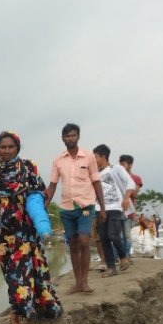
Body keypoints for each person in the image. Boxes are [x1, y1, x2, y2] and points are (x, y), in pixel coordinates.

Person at [0, 131, 63, 324]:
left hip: (27, 230)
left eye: (10, 147)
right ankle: (15, 315)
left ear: (17, 148)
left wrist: (38, 209)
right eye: (2, 147)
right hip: (5, 232)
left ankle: (37, 309)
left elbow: (40, 191)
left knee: (33, 268)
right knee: (13, 274)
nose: (6, 151)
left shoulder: (28, 167)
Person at [43, 123, 105, 294]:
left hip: (85, 206)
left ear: (78, 136)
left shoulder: (89, 156)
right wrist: (44, 207)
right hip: (67, 209)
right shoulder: (58, 160)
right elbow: (53, 185)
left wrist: (103, 208)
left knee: (85, 241)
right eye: (67, 136)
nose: (70, 138)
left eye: (73, 135)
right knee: (73, 245)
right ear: (63, 138)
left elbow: (96, 182)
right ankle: (78, 282)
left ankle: (85, 281)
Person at [92, 144, 135, 277]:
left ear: (103, 156)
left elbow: (130, 183)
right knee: (104, 238)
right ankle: (111, 268)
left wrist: (126, 198)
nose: (94, 160)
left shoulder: (115, 168)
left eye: (96, 157)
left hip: (115, 207)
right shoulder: (95, 174)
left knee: (113, 235)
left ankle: (123, 257)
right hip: (100, 209)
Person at [118, 154, 141, 259]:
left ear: (130, 165)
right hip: (117, 210)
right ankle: (121, 256)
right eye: (120, 164)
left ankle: (127, 256)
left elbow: (134, 194)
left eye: (123, 164)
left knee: (127, 234)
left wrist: (127, 184)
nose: (121, 166)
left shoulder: (136, 178)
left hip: (129, 210)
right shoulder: (117, 177)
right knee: (118, 235)